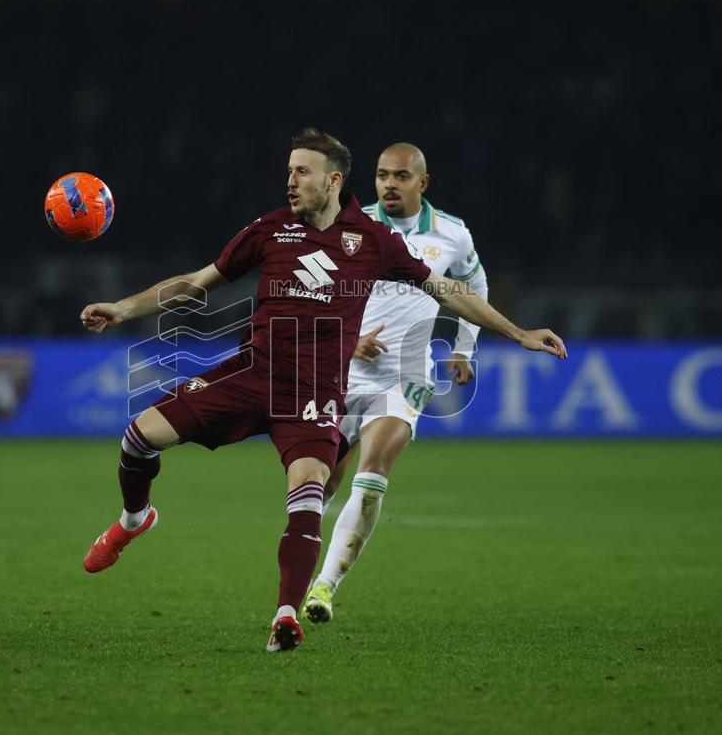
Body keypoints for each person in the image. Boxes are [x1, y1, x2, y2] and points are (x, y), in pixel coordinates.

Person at [78, 129, 567, 653]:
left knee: (309, 497)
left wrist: (517, 333)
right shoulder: (270, 230)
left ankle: (286, 616)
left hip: (314, 395)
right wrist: (124, 308)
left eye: (302, 172)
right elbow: (197, 283)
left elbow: (448, 290)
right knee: (138, 437)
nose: (290, 181)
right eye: (289, 171)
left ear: (333, 180)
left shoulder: (374, 241)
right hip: (252, 374)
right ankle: (136, 518)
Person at [303, 143, 487, 624]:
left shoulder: (451, 234)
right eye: (383, 175)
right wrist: (349, 336)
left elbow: (473, 284)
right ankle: (296, 573)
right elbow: (315, 291)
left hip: (405, 376)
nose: (389, 184)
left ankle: (324, 587)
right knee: (320, 481)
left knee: (372, 472)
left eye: (401, 176)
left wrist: (466, 346)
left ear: (421, 183)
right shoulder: (347, 225)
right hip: (341, 372)